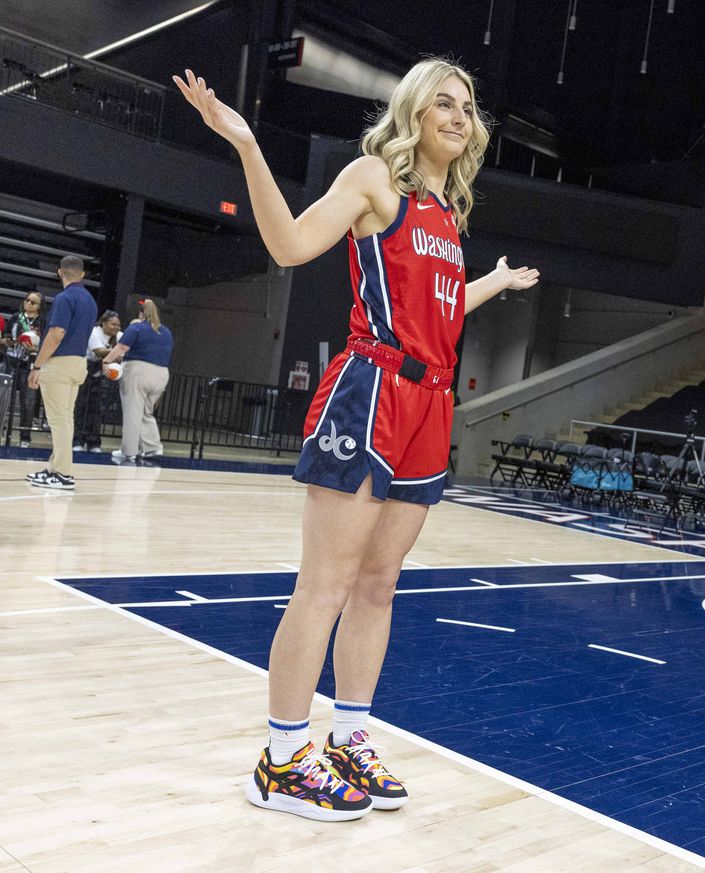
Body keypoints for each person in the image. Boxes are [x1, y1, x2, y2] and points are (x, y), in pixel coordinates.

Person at [172, 59, 539, 821]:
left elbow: (435, 316)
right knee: (327, 584)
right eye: (443, 102)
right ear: (413, 110)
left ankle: (348, 738)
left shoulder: (445, 212)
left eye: (467, 107)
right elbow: (291, 245)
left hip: (429, 404)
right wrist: (247, 147)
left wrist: (492, 284)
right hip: (370, 394)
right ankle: (280, 759)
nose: (458, 116)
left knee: (378, 585)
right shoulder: (375, 179)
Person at [25, 257, 97, 491]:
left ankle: (64, 474)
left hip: (60, 364)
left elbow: (56, 333)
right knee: (65, 419)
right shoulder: (89, 300)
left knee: (58, 421)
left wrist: (37, 365)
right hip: (78, 363)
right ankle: (55, 469)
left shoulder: (64, 298)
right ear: (82, 275)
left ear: (59, 272)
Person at [101, 300, 172, 466]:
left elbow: (121, 348)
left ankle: (129, 452)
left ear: (141, 314)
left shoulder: (137, 328)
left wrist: (106, 361)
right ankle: (153, 447)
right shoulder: (166, 331)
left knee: (132, 412)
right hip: (161, 373)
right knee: (146, 412)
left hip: (138, 371)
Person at [73, 308, 121, 453]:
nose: (116, 328)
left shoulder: (118, 336)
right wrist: (117, 351)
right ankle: (77, 440)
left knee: (97, 409)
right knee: (82, 407)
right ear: (103, 323)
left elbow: (127, 347)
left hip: (102, 375)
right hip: (87, 372)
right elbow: (98, 351)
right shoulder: (94, 332)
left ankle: (93, 442)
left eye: (118, 325)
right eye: (113, 324)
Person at [2, 292, 46, 448]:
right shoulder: (15, 317)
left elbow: (47, 343)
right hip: (11, 361)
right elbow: (5, 336)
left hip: (30, 363)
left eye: (33, 302)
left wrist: (36, 348)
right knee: (3, 397)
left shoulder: (43, 322)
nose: (28, 303)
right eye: (27, 300)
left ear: (40, 307)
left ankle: (25, 437)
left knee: (28, 401)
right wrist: (8, 341)